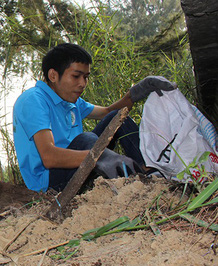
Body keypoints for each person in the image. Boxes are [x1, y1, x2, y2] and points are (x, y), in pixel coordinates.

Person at [13, 43, 177, 192]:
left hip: (80, 163)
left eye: (86, 77)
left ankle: (148, 169)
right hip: (50, 182)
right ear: (53, 75)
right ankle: (135, 178)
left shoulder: (71, 100)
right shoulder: (34, 100)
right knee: (86, 138)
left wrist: (134, 94)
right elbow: (49, 157)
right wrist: (102, 156)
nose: (83, 83)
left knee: (117, 118)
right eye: (76, 76)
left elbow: (107, 112)